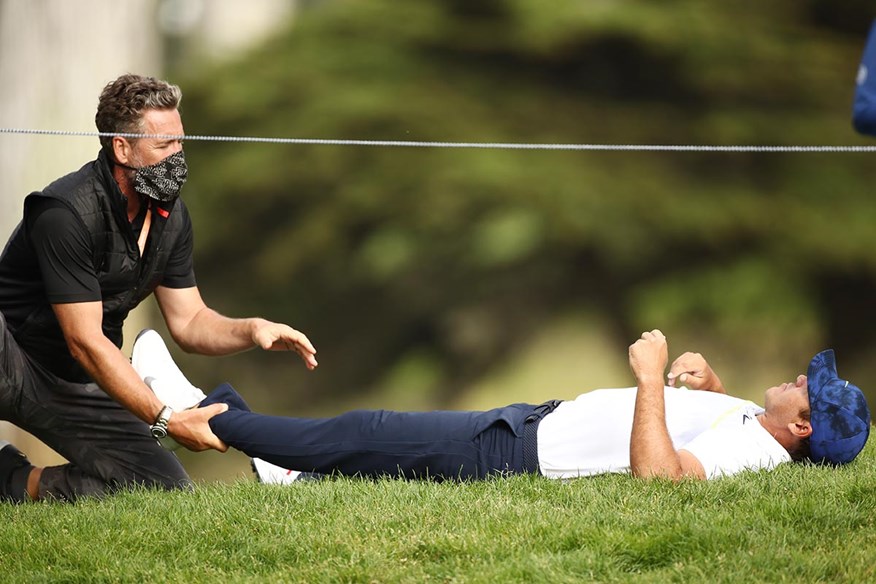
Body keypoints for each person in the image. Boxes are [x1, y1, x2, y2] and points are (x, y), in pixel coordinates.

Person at [0, 74, 317, 503]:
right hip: (13, 356)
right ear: (121, 148)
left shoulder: (172, 219)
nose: (178, 157)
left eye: (181, 144)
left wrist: (252, 329)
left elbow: (189, 322)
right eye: (164, 147)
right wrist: (166, 419)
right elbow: (85, 340)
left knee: (160, 487)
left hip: (71, 381)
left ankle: (12, 482)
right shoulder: (65, 212)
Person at [134, 328, 870, 483]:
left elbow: (663, 479)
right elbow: (707, 430)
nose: (797, 377)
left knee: (365, 430)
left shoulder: (758, 454)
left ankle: (197, 415)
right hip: (531, 424)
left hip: (515, 452)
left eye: (807, 387)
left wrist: (650, 379)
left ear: (801, 426)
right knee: (363, 442)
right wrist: (705, 389)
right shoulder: (761, 429)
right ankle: (276, 467)